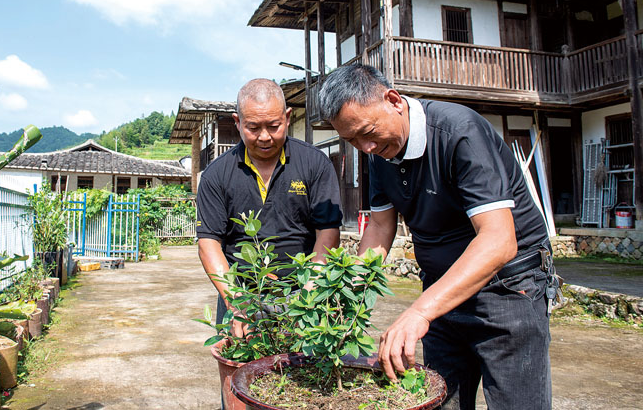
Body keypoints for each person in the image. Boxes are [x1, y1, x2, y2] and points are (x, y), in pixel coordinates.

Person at [318, 64, 557, 410]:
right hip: (443, 294)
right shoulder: (378, 153)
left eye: (367, 132)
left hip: (509, 290)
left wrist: (419, 312)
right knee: (442, 400)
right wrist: (348, 288)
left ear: (394, 100)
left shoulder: (459, 132)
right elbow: (382, 226)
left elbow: (499, 241)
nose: (365, 146)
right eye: (352, 140)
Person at [196, 78, 342, 336]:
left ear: (287, 118)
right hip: (241, 291)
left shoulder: (315, 164)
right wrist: (237, 302)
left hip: (302, 290)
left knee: (307, 372)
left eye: (274, 126)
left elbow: (328, 232)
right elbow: (209, 243)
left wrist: (311, 292)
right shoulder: (216, 175)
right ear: (237, 122)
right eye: (253, 128)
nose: (265, 137)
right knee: (237, 370)